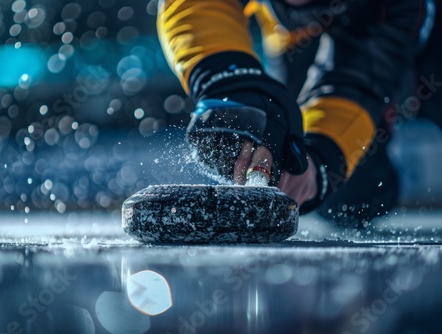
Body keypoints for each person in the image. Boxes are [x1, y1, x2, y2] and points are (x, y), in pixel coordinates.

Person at [156, 0, 439, 227]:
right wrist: (229, 79)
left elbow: (359, 80)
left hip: (399, 25)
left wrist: (327, 151)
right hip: (295, 41)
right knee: (347, 199)